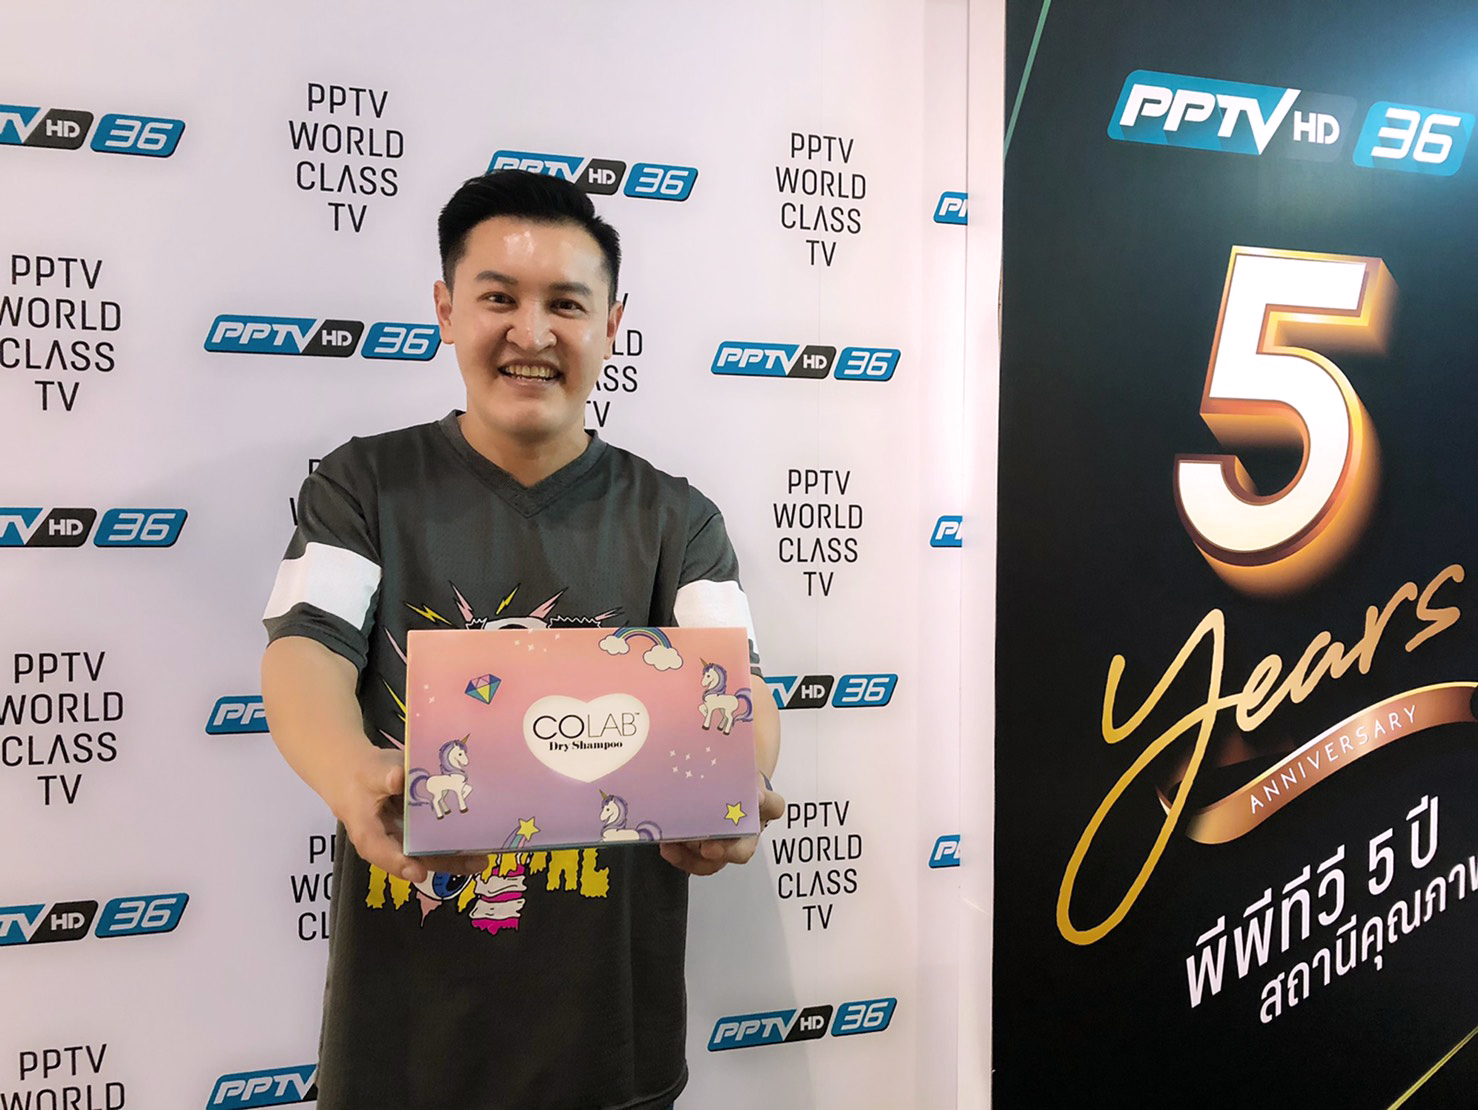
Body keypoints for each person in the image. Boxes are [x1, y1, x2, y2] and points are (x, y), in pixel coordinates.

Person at [260, 169, 782, 1110]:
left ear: (611, 325)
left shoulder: (677, 519)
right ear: (446, 310)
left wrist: (735, 790)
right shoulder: (361, 486)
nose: (531, 334)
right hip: (405, 1043)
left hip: (611, 1040)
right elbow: (307, 651)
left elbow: (738, 690)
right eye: (498, 298)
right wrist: (352, 777)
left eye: (566, 305)